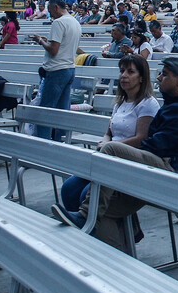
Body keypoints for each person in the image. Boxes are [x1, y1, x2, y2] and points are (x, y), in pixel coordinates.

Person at [53, 55, 178, 251]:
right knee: (99, 201)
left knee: (111, 150)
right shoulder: (177, 103)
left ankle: (85, 217)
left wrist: (123, 158)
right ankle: (114, 259)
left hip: (175, 171)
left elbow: (158, 145)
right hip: (159, 164)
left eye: (165, 74)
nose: (159, 78)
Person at [54, 54, 160, 240]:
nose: (124, 76)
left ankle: (94, 235)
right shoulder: (120, 102)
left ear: (142, 77)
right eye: (121, 71)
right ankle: (78, 233)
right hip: (107, 155)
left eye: (130, 72)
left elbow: (141, 138)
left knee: (87, 194)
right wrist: (105, 141)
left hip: (129, 160)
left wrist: (111, 146)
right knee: (69, 189)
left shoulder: (148, 104)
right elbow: (109, 131)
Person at [30, 0, 80, 141]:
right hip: (70, 68)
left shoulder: (59, 22)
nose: (50, 15)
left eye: (51, 11)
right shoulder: (74, 21)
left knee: (46, 110)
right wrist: (48, 40)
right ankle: (60, 141)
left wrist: (40, 41)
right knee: (62, 110)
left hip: (57, 70)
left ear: (56, 7)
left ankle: (43, 143)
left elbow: (53, 50)